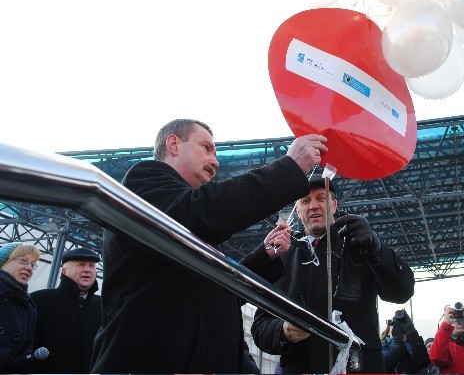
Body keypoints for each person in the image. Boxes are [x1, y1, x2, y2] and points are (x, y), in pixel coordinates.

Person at [91, 118, 327, 373]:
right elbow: (206, 212)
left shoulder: (186, 214)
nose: (216, 161)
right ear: (173, 144)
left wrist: (264, 257)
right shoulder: (144, 181)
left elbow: (217, 290)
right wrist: (288, 169)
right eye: (206, 148)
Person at [251, 174, 415, 373]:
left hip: (359, 367)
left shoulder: (361, 245)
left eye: (321, 198)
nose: (313, 206)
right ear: (299, 210)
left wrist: (378, 250)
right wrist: (283, 330)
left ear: (334, 205)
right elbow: (260, 328)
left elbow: (402, 292)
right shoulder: (282, 256)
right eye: (305, 201)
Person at [31, 248, 102, 373]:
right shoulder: (39, 300)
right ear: (64, 271)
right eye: (81, 264)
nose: (87, 269)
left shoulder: (104, 306)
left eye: (92, 266)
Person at [0, 242, 41, 373]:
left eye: (32, 264)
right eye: (23, 261)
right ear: (3, 263)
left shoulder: (28, 305)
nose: (29, 268)